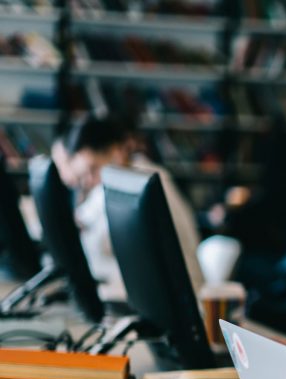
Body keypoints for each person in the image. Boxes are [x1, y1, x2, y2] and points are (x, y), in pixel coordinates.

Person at [53, 115, 205, 298]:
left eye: (93, 169)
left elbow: (103, 241)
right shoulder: (115, 179)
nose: (89, 181)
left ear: (116, 152)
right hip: (145, 291)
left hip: (176, 295)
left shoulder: (144, 181)